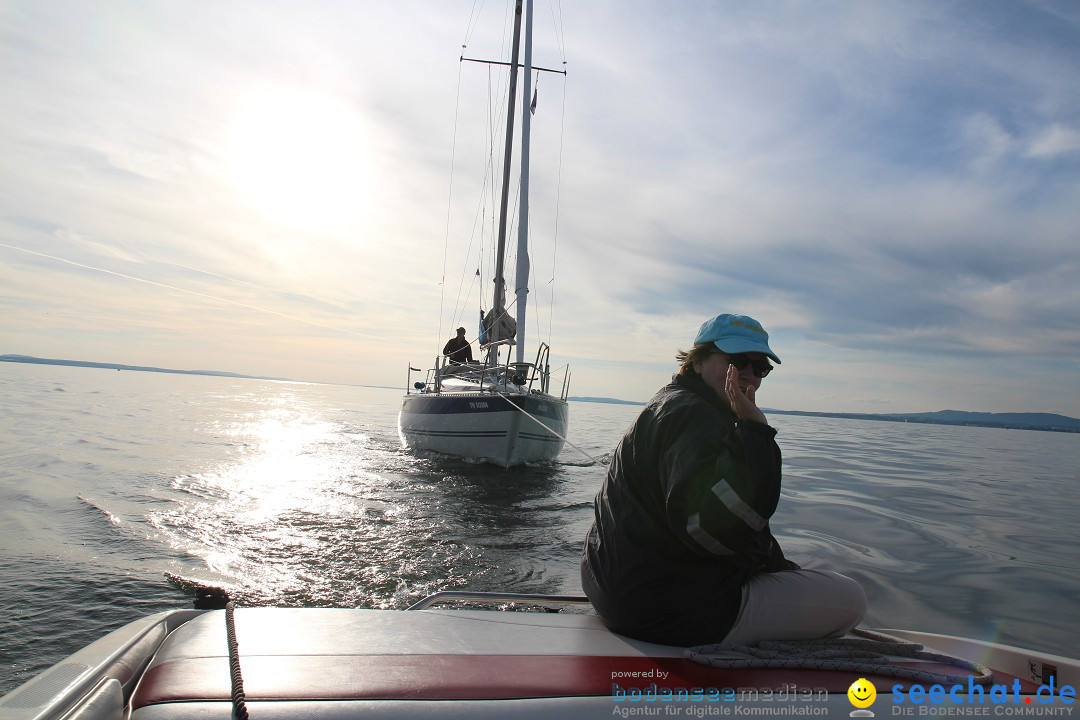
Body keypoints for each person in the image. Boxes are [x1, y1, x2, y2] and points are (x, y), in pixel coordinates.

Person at [581, 313, 866, 647]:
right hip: (664, 610)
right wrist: (757, 432)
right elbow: (716, 532)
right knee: (851, 599)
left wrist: (774, 563)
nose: (748, 375)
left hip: (610, 588)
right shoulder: (696, 417)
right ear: (698, 362)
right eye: (736, 361)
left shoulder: (670, 404)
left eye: (760, 368)